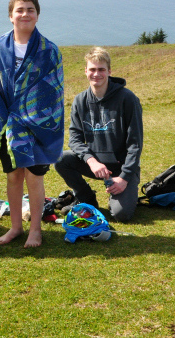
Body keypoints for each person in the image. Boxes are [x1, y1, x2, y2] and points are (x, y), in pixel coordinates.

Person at [0, 0, 64, 248]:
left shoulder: (49, 51)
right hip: (8, 126)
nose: (25, 14)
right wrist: (6, 119)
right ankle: (16, 227)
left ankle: (36, 230)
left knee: (34, 178)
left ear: (37, 15)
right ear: (11, 16)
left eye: (30, 10)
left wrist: (27, 116)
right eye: (19, 10)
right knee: (13, 177)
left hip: (38, 126)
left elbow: (54, 91)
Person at [54, 47, 143, 222]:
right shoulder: (80, 101)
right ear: (85, 71)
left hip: (122, 167)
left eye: (101, 69)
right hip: (96, 165)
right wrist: (91, 161)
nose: (97, 74)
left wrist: (124, 178)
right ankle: (87, 198)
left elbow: (135, 144)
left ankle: (118, 192)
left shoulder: (127, 99)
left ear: (109, 71)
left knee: (121, 215)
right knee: (61, 159)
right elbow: (75, 138)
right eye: (92, 69)